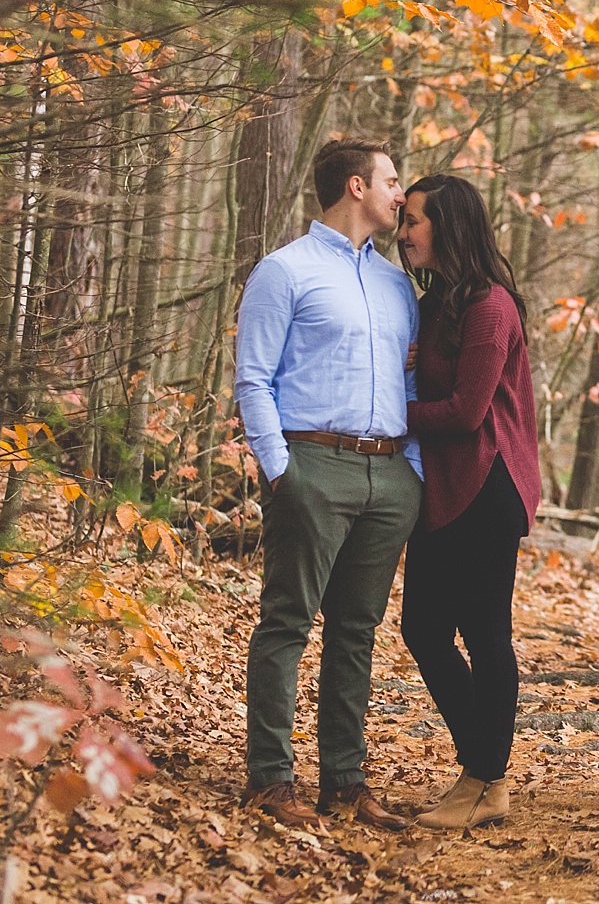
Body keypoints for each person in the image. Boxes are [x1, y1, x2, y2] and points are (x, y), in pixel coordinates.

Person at [233, 139, 423, 831]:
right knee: (286, 622)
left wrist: (415, 475)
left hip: (388, 475)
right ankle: (270, 778)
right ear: (356, 186)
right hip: (312, 465)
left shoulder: (396, 283)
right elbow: (253, 377)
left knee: (356, 632)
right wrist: (282, 470)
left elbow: (409, 382)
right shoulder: (284, 272)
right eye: (392, 180)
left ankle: (345, 781)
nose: (400, 193)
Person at [394, 174, 541, 831]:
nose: (403, 233)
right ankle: (480, 769)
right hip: (446, 488)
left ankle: (489, 781)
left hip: (489, 487)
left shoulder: (490, 307)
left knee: (486, 637)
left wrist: (386, 414)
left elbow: (466, 410)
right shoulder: (435, 303)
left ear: (449, 225)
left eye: (414, 220)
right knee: (422, 629)